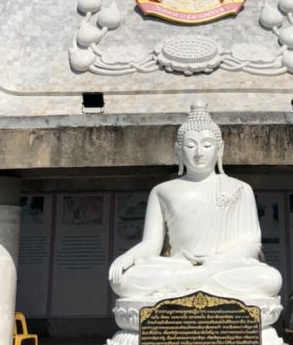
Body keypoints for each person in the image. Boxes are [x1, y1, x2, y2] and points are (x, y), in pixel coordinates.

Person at [108, 100, 281, 300]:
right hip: (180, 265)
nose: (199, 153)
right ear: (178, 150)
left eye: (207, 145)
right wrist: (128, 257)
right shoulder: (162, 191)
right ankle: (199, 278)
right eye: (190, 145)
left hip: (224, 267)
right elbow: (151, 243)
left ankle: (193, 281)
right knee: (123, 280)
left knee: (270, 279)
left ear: (220, 150)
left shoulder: (240, 189)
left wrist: (218, 262)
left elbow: (251, 244)